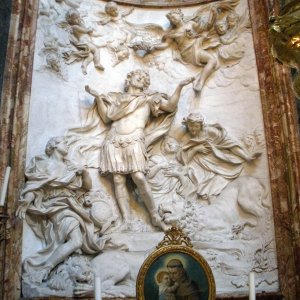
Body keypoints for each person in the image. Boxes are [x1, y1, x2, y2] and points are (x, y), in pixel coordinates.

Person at [85, 69, 194, 230]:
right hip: (113, 140)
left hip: (134, 139)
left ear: (145, 85)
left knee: (139, 177)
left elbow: (170, 106)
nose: (141, 79)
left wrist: (179, 87)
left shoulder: (149, 98)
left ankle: (155, 217)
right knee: (118, 180)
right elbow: (107, 117)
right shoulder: (118, 99)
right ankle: (126, 220)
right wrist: (98, 98)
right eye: (138, 76)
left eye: (144, 78)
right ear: (129, 80)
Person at [16, 137, 108, 284]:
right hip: (57, 205)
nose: (67, 145)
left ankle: (47, 267)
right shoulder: (43, 164)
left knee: (76, 241)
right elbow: (36, 186)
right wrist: (27, 200)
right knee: (76, 241)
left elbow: (87, 187)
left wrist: (84, 171)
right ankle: (44, 268)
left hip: (71, 204)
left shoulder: (70, 166)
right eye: (63, 142)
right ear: (54, 145)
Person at [179, 113, 261, 201]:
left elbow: (230, 145)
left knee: (217, 180)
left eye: (196, 126)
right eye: (190, 126)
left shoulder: (211, 132)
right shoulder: (186, 137)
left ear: (201, 126)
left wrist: (246, 157)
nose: (193, 129)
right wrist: (196, 149)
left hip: (218, 159)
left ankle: (210, 192)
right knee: (195, 176)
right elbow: (185, 160)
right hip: (201, 163)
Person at [151, 8, 218, 93]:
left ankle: (200, 83)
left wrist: (214, 16)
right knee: (212, 60)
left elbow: (204, 28)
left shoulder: (190, 24)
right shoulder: (172, 33)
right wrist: (153, 46)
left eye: (174, 17)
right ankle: (200, 83)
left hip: (196, 47)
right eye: (171, 19)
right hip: (187, 53)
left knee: (213, 60)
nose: (173, 20)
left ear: (180, 16)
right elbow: (165, 45)